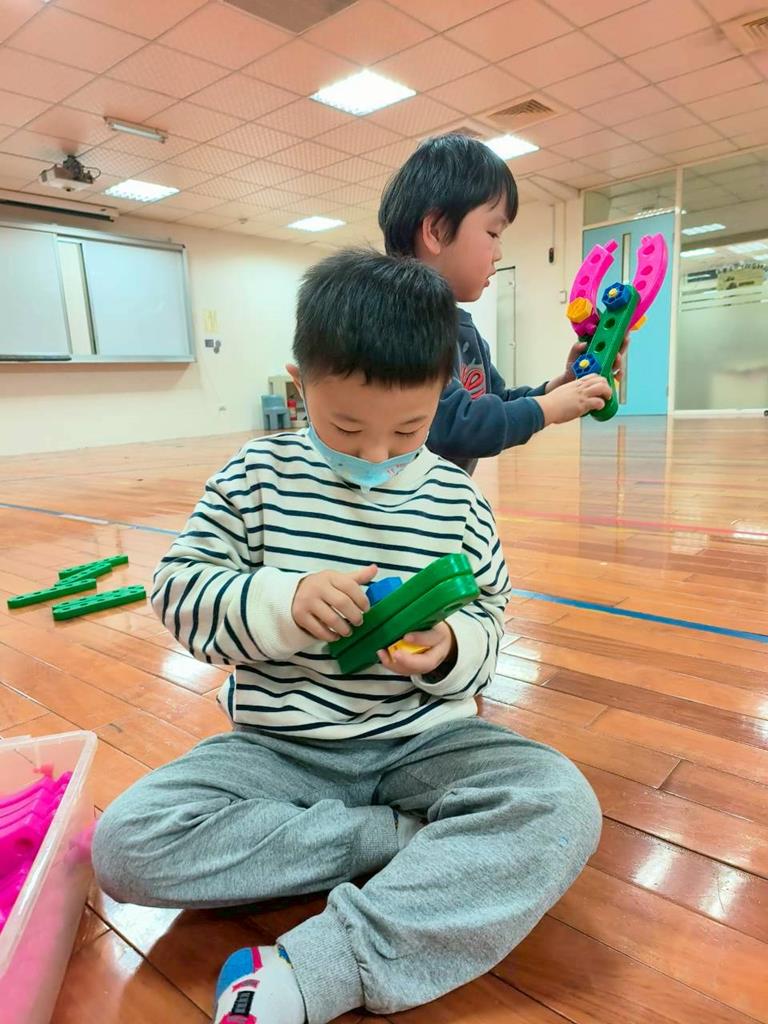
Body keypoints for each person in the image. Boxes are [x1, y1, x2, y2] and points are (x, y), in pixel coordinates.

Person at [91, 249, 601, 1024]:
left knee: (561, 803)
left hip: (423, 744)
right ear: (300, 387)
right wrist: (281, 601)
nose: (375, 456)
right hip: (279, 750)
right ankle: (394, 840)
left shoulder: (459, 501)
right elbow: (178, 592)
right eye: (346, 427)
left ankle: (328, 964)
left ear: (443, 392)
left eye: (409, 429)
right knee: (126, 844)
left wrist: (450, 648)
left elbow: (488, 621)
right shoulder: (255, 477)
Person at [379, 132, 617, 474]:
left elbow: (495, 403)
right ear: (436, 231)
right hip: (406, 504)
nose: (499, 252)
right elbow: (454, 424)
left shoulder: (461, 328)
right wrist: (549, 408)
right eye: (493, 233)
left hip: (445, 495)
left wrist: (561, 385)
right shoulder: (400, 324)